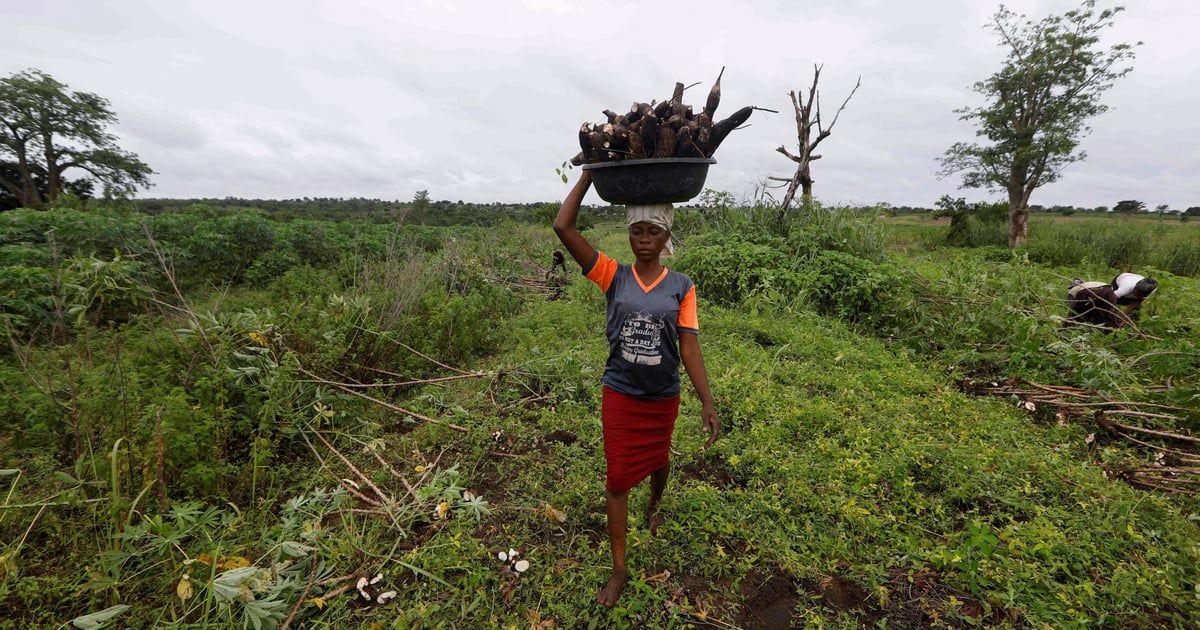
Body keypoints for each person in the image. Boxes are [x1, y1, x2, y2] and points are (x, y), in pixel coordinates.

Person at [552, 171, 719, 607]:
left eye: (654, 231)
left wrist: (707, 400)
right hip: (622, 395)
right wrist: (590, 175)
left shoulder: (682, 286)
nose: (645, 239)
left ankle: (656, 505)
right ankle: (620, 569)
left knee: (660, 459)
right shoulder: (613, 275)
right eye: (638, 231)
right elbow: (563, 228)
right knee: (617, 481)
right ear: (629, 235)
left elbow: (689, 346)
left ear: (666, 236)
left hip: (662, 397)